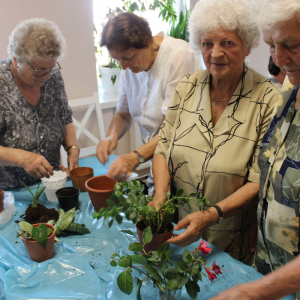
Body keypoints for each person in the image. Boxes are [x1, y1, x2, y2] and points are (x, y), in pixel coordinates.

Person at [150, 0, 279, 264]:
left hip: (231, 237)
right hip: (179, 229)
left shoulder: (267, 99)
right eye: (207, 43)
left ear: (247, 46)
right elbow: (163, 148)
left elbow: (260, 180)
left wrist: (211, 215)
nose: (216, 53)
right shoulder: (186, 87)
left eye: (227, 43)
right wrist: (160, 195)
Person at [210, 0, 300, 299]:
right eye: (272, 45)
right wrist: (258, 220)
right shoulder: (289, 88)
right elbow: (273, 167)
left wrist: (255, 292)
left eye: (292, 45)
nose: (280, 58)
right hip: (270, 264)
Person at [96, 13, 201, 188]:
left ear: (147, 41)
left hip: (188, 163)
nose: (124, 66)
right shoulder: (129, 68)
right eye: (118, 60)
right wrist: (110, 136)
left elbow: (175, 128)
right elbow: (122, 114)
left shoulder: (179, 57)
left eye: (128, 57)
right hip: (158, 161)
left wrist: (135, 157)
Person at [0, 18, 79, 190]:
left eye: (51, 68)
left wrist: (72, 147)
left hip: (50, 186)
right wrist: (23, 159)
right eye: (39, 70)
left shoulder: (52, 76)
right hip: (10, 193)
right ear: (16, 61)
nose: (46, 76)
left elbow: (65, 116)